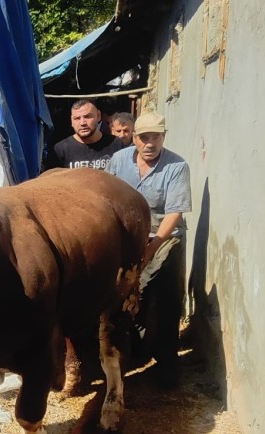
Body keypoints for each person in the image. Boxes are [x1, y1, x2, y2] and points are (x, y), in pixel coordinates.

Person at [105, 111, 193, 387]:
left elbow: (175, 212)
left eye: (156, 137)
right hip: (128, 237)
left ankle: (167, 364)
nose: (150, 143)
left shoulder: (176, 166)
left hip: (163, 236)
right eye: (144, 137)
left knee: (162, 298)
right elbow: (105, 195)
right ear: (134, 138)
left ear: (163, 137)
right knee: (122, 297)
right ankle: (130, 356)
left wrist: (153, 246)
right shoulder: (119, 161)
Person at [43, 98, 126, 172]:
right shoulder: (60, 150)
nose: (82, 123)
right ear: (72, 121)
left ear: (98, 116)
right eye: (77, 118)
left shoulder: (116, 144)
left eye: (87, 117)